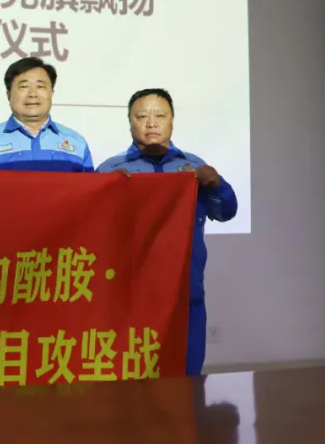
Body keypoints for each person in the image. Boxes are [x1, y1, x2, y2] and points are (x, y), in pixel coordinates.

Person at [96, 88, 237, 376]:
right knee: (129, 380)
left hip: (185, 295)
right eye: (141, 116)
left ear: (172, 121)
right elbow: (90, 231)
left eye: (160, 115)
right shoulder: (111, 170)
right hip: (130, 297)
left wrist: (217, 184)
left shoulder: (195, 167)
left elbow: (226, 213)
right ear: (130, 122)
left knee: (186, 380)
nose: (151, 123)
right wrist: (103, 192)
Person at [0, 57, 92, 171]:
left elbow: (90, 186)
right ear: (8, 95)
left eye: (40, 86)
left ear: (51, 93)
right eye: (24, 86)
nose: (32, 94)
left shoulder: (77, 143)